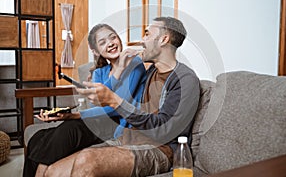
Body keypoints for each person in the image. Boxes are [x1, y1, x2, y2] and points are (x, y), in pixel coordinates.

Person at [42, 16, 201, 177]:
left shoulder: (184, 79)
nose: (142, 40)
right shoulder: (151, 72)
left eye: (147, 34)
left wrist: (113, 100)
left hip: (159, 149)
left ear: (163, 39)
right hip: (126, 139)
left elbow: (163, 131)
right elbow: (128, 101)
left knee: (86, 160)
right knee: (52, 171)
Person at [23, 24, 146, 177]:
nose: (111, 43)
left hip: (115, 124)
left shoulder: (134, 64)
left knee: (69, 129)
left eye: (113, 37)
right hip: (98, 120)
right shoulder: (100, 72)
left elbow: (115, 107)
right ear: (96, 51)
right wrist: (64, 114)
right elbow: (98, 100)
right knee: (37, 138)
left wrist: (73, 115)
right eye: (102, 42)